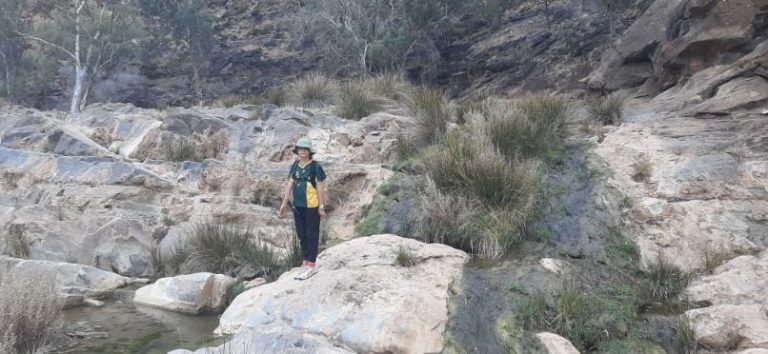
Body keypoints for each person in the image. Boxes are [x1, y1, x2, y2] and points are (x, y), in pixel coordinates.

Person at [279, 137, 327, 280]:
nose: (303, 152)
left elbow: (320, 187)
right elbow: (290, 185)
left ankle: (311, 265)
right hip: (298, 205)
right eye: (300, 149)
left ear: (309, 152)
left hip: (312, 206)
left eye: (305, 149)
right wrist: (284, 203)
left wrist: (321, 205)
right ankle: (306, 261)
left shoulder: (315, 166)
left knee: (312, 234)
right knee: (301, 234)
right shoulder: (295, 165)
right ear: (297, 151)